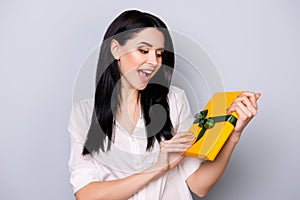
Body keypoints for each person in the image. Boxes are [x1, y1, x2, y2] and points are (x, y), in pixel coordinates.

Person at [67, 9, 260, 200]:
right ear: (116, 49)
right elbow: (86, 195)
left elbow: (198, 185)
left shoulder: (174, 101)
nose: (154, 62)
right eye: (144, 51)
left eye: (159, 54)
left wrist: (233, 134)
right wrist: (157, 168)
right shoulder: (84, 114)